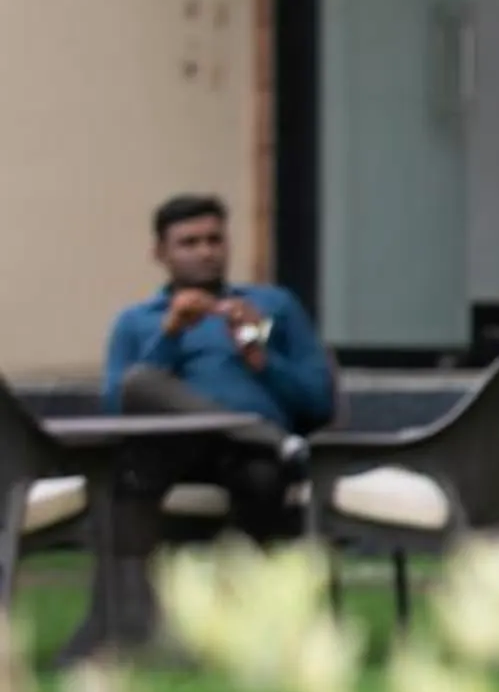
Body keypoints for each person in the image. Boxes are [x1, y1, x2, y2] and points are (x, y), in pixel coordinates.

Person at [102, 193, 337, 540]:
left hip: (253, 457)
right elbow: (115, 408)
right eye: (189, 243)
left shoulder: (274, 305)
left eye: (215, 240)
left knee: (262, 477)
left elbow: (320, 404)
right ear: (160, 253)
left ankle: (244, 590)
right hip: (174, 451)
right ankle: (263, 435)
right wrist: (170, 334)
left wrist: (261, 358)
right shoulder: (136, 321)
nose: (205, 252)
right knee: (139, 381)